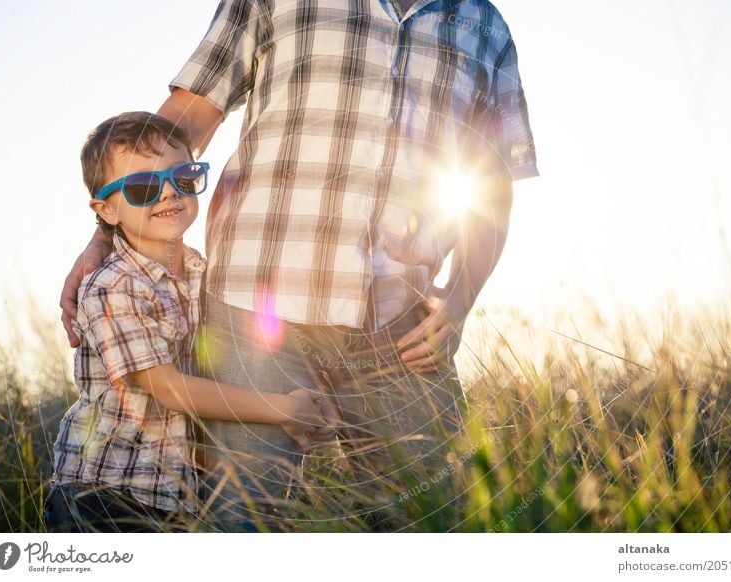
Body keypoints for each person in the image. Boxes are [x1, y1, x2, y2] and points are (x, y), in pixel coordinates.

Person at [60, 0, 539, 531]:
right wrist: (107, 234)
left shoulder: (487, 28)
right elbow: (184, 119)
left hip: (402, 325)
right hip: (252, 311)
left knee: (430, 517)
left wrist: (461, 297)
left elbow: (492, 182)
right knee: (248, 517)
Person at [46, 112, 337, 533]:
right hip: (103, 493)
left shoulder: (203, 271)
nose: (167, 193)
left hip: (173, 492)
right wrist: (283, 409)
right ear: (106, 209)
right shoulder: (113, 286)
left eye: (182, 177)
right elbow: (167, 389)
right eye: (143, 187)